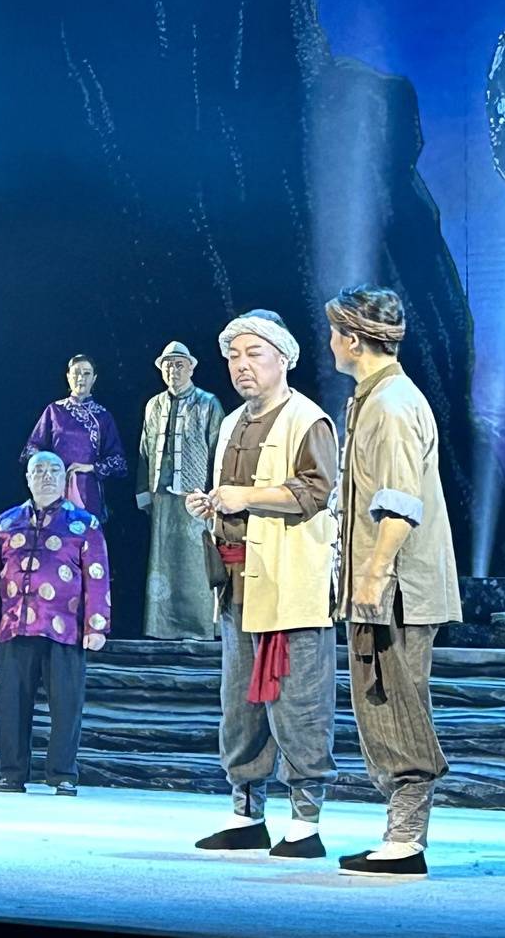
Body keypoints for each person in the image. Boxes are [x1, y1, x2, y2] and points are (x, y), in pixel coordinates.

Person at [188, 311, 338, 859]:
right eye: (233, 356)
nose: (241, 365)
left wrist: (245, 497)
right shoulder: (231, 423)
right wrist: (212, 505)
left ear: (283, 358)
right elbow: (232, 497)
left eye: (254, 354)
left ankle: (305, 824)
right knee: (240, 707)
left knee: (298, 704)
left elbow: (316, 491)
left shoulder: (308, 419)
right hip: (237, 586)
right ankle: (247, 814)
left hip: (289, 585)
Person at [325, 285, 462, 879]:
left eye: (336, 333)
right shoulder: (372, 399)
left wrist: (373, 576)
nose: (330, 342)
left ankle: (406, 840)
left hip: (396, 588)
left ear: (354, 340)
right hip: (381, 584)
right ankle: (400, 834)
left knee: (396, 701)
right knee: (380, 703)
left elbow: (401, 505)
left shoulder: (391, 404)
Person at [0, 451, 109, 796]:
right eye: (39, 470)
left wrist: (97, 625)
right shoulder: (6, 522)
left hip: (65, 627)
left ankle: (63, 774)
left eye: (54, 470)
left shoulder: (84, 523)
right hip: (14, 624)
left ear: (64, 478)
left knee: (66, 704)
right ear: (28, 478)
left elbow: (97, 575)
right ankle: (12, 774)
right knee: (11, 703)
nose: (46, 476)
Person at [136, 341, 225, 639]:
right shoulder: (154, 405)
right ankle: (162, 627)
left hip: (197, 497)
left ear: (191, 368)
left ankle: (200, 627)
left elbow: (218, 449)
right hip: (162, 496)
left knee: (196, 561)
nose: (173, 370)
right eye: (168, 365)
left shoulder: (208, 403)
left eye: (178, 365)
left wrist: (215, 494)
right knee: (163, 561)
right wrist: (144, 493)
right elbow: (144, 450)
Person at [22, 355, 128, 521]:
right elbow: (31, 448)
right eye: (76, 373)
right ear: (68, 376)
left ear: (94, 378)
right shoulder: (54, 410)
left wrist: (90, 468)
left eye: (86, 373)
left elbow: (118, 461)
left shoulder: (103, 416)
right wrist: (50, 467)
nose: (81, 378)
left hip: (88, 489)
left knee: (86, 532)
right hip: (55, 485)